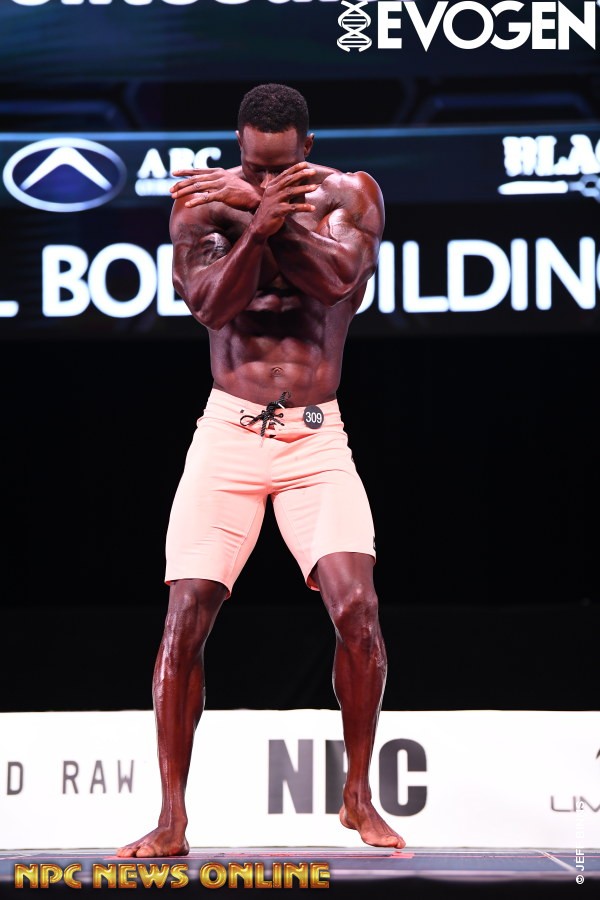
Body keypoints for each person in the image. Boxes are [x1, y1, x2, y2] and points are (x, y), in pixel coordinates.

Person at [117, 83, 405, 857]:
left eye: (280, 168)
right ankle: (172, 820)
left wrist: (263, 211)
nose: (266, 178)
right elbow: (212, 306)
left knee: (358, 610)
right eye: (253, 167)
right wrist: (255, 218)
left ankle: (357, 795)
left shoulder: (351, 194)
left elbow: (336, 282)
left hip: (315, 437)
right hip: (229, 432)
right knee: (185, 616)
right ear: (238, 149)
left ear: (306, 149)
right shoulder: (203, 204)